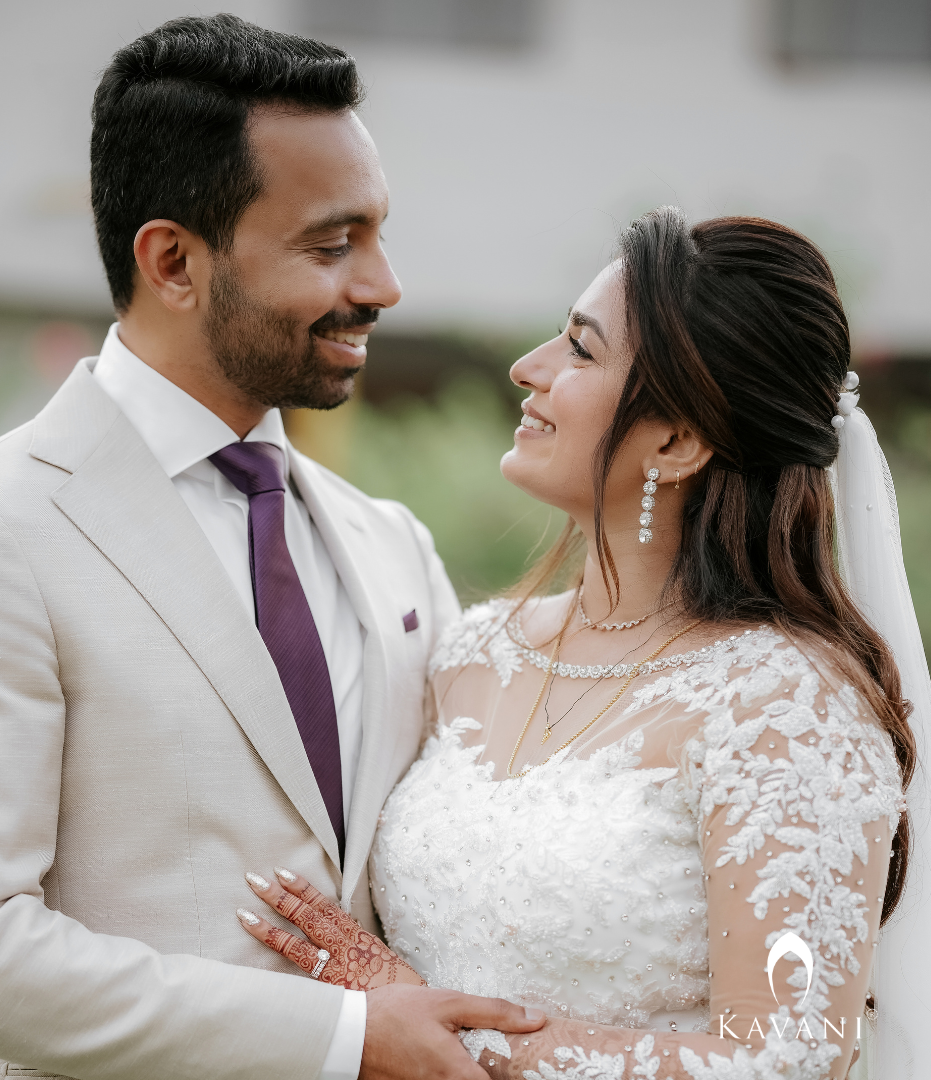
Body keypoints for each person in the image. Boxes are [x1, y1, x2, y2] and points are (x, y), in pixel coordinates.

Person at [0, 15, 546, 1080]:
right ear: (172, 260)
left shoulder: (390, 545)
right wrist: (343, 1041)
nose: (382, 285)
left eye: (378, 234)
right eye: (331, 243)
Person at [237, 208, 931, 1079]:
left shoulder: (787, 709)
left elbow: (787, 1060)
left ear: (676, 440)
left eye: (581, 349)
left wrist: (443, 1037)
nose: (528, 369)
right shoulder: (471, 656)